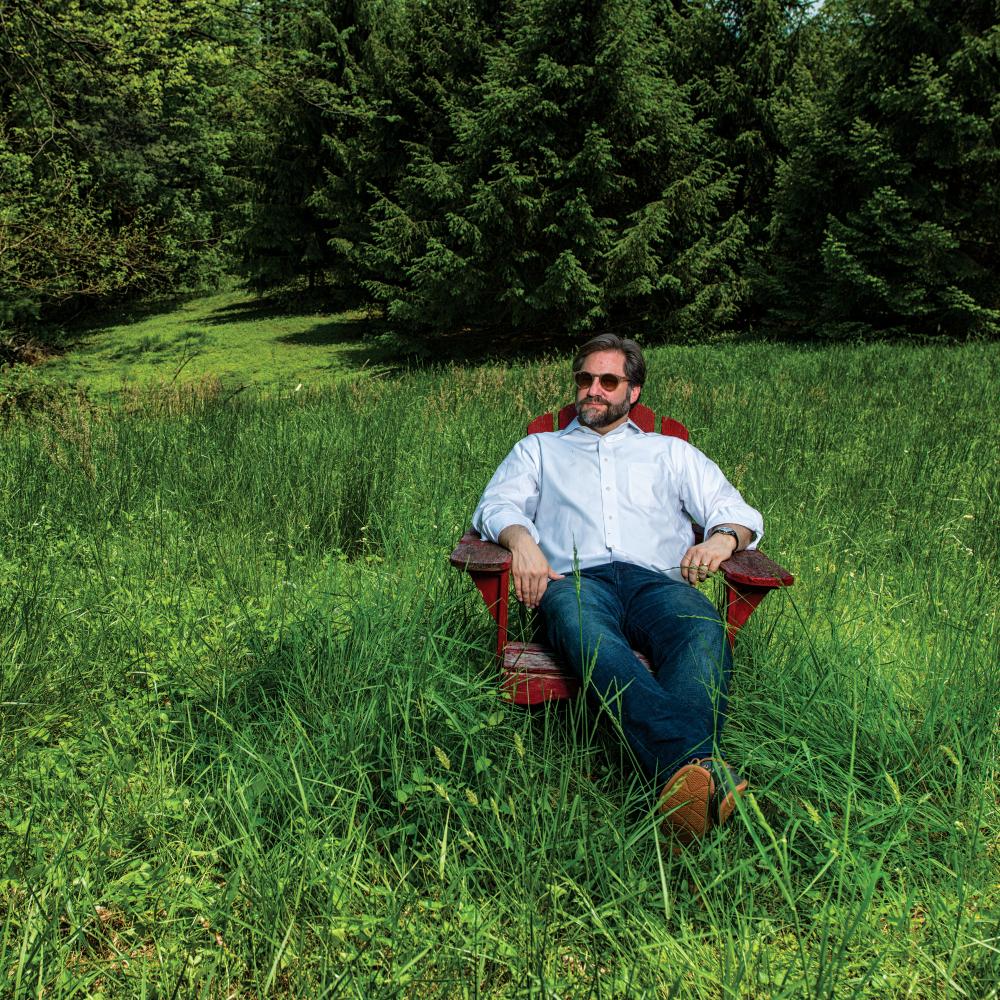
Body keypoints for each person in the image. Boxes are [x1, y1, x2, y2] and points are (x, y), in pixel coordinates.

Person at [472, 333, 763, 845]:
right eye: (585, 379)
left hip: (659, 584)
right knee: (586, 630)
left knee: (701, 629)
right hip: (576, 583)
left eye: (609, 381)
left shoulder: (671, 453)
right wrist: (519, 540)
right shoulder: (539, 449)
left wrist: (722, 540)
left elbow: (737, 513)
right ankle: (701, 773)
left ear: (633, 393)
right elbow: (495, 508)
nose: (594, 390)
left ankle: (687, 783)